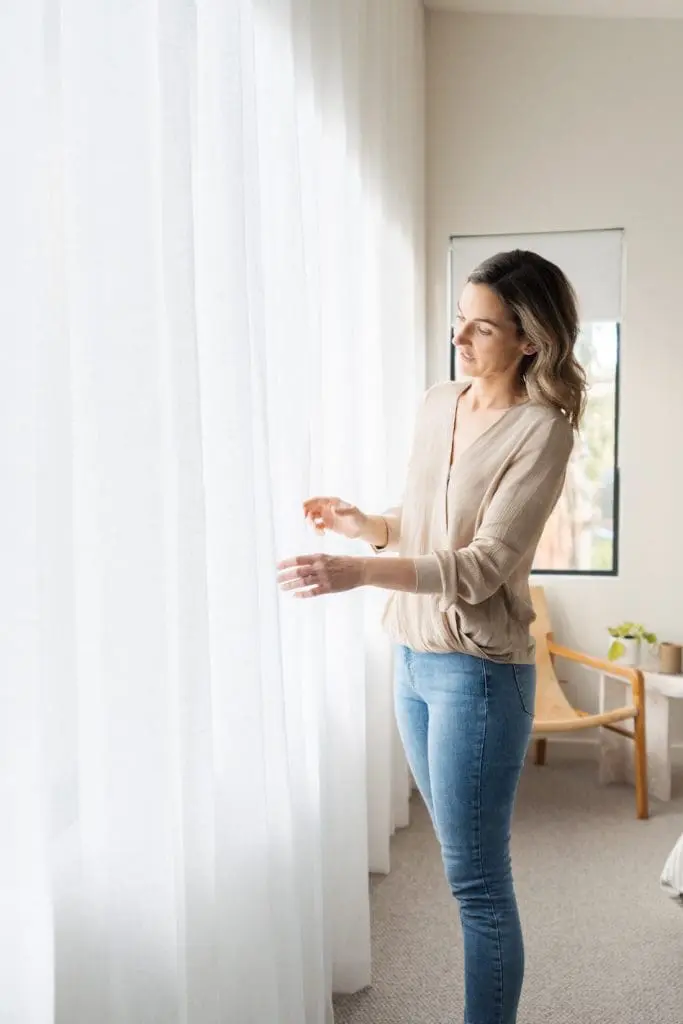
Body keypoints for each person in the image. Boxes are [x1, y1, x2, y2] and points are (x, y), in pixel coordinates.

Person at [277, 249, 586, 1024]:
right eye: (458, 319)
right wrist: (367, 525)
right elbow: (423, 525)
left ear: (528, 339)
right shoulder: (437, 401)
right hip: (410, 658)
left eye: (481, 327)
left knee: (476, 882)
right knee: (464, 867)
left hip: (477, 675)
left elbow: (480, 567)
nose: (460, 339)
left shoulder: (540, 432)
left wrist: (356, 571)